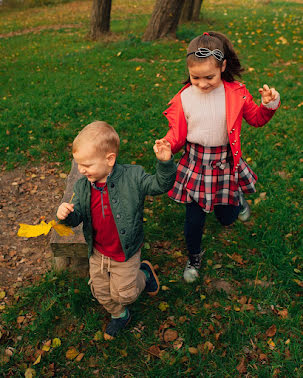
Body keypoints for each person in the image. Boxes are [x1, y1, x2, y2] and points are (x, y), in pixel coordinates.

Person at [155, 31, 280, 283]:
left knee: (226, 218)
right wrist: (168, 145)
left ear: (223, 66)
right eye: (195, 77)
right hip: (195, 164)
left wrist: (269, 105)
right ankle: (194, 256)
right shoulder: (184, 98)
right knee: (194, 218)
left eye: (209, 77)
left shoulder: (236, 92)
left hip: (225, 164)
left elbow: (255, 119)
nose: (201, 83)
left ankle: (237, 200)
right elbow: (177, 134)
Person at [57, 121, 176, 339]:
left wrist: (165, 163)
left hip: (124, 252)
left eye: (87, 165)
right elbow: (78, 217)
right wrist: (66, 216)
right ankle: (120, 315)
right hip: (98, 252)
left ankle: (144, 274)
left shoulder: (133, 177)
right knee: (100, 292)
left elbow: (160, 185)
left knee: (125, 294)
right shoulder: (83, 186)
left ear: (109, 160)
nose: (81, 170)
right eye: (78, 164)